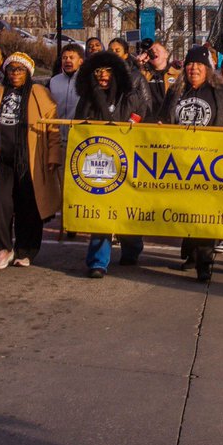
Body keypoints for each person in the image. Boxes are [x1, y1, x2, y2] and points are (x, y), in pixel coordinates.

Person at [0, 53, 62, 270]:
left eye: (20, 70)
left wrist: (54, 155)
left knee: (29, 206)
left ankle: (26, 250)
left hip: (30, 160)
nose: (15, 74)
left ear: (28, 73)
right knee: (0, 204)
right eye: (11, 69)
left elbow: (53, 130)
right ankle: (3, 248)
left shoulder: (40, 93)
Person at [159, 46, 223, 281]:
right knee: (187, 212)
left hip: (211, 165)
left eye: (199, 65)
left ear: (208, 69)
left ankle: (204, 262)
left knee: (206, 214)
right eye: (190, 64)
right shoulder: (175, 92)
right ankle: (191, 254)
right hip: (180, 164)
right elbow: (160, 120)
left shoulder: (222, 92)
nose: (194, 68)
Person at [75, 50, 144, 277]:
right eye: (97, 71)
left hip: (129, 163)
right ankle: (98, 261)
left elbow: (145, 115)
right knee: (101, 213)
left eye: (107, 71)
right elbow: (78, 130)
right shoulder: (87, 99)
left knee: (126, 211)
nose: (102, 76)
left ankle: (132, 247)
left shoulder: (130, 96)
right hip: (99, 166)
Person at [108, 37, 154, 119]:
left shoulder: (137, 76)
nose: (113, 54)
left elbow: (146, 104)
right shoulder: (101, 74)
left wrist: (134, 121)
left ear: (125, 55)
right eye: (111, 51)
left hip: (127, 127)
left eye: (117, 51)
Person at [141, 41, 180, 107]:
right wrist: (139, 64)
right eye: (151, 51)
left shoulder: (178, 75)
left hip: (167, 115)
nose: (154, 52)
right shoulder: (142, 74)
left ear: (166, 54)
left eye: (157, 49)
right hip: (148, 115)